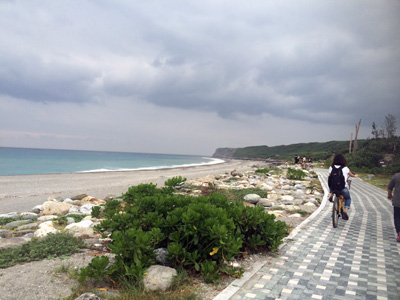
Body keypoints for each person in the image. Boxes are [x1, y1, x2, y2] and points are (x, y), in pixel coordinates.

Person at [328, 154, 358, 220]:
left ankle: (331, 194)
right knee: (348, 198)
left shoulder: (331, 167)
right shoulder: (345, 168)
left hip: (333, 188)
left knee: (331, 185)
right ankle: (345, 211)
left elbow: (329, 177)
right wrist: (355, 176)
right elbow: (351, 175)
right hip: (342, 188)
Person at [388, 172, 400, 242]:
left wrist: (389, 195)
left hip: (397, 201)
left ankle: (399, 232)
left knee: (397, 217)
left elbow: (390, 187)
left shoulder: (396, 176)